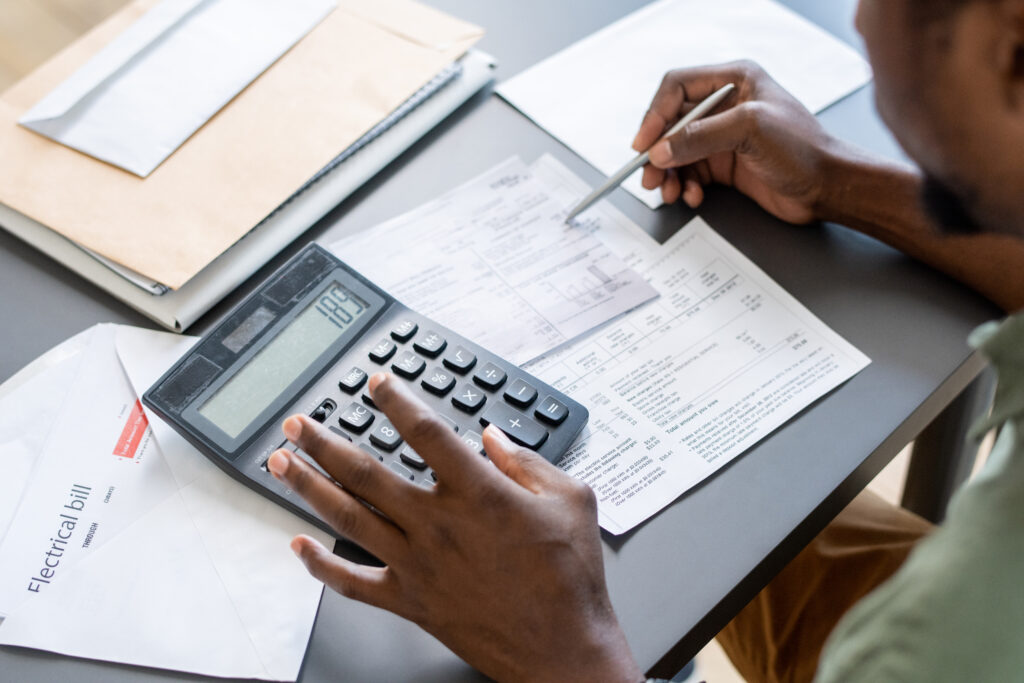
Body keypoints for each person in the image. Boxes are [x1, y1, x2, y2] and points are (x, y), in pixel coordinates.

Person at [264, 0, 1024, 680]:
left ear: (1008, 42)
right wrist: (833, 179)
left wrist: (570, 652)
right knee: (731, 535)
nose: (858, 18)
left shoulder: (935, 636)